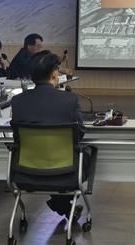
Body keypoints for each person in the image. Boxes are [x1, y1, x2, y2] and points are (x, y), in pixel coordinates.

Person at [11, 52, 86, 217]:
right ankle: (62, 203)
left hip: (26, 172)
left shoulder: (17, 101)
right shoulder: (70, 100)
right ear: (54, 74)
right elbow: (79, 133)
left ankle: (62, 205)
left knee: (46, 154)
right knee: (86, 152)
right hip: (66, 173)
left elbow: (17, 138)